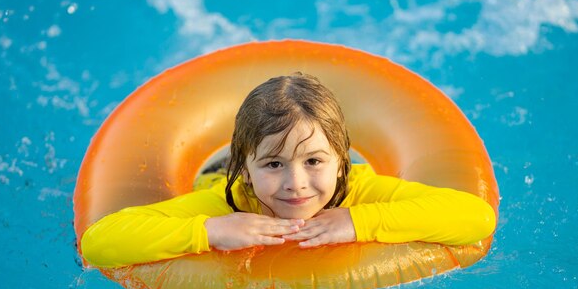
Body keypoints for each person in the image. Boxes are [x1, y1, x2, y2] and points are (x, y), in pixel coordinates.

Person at [81, 73, 496, 268]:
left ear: (341, 160)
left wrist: (360, 220)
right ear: (247, 170)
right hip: (216, 167)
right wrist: (209, 231)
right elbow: (100, 242)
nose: (296, 184)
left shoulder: (360, 190)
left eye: (314, 161)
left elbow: (475, 217)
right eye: (275, 165)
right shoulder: (227, 203)